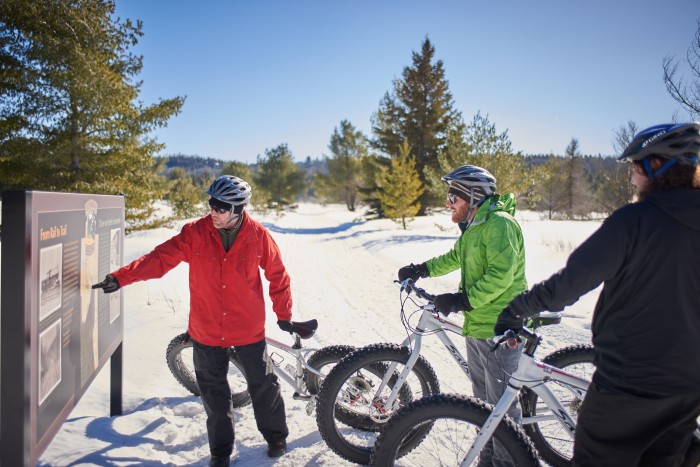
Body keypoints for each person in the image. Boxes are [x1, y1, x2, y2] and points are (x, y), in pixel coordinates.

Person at [495, 122, 700, 466]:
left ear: (657, 167)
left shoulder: (635, 220)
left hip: (628, 384)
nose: (632, 177)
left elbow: (574, 280)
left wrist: (518, 309)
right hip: (686, 389)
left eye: (636, 166)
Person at [93, 175, 293, 467]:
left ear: (237, 209)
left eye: (220, 206)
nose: (213, 210)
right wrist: (120, 277)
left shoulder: (257, 235)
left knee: (263, 385)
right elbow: (158, 259)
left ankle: (276, 437)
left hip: (247, 326)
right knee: (214, 394)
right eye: (211, 203)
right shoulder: (195, 233)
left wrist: (284, 314)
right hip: (207, 328)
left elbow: (278, 275)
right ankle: (220, 452)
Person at [398, 164, 527, 466]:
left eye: (453, 196)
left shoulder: (499, 224)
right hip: (479, 324)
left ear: (473, 195)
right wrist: (422, 269)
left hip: (502, 326)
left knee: (502, 408)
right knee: (484, 403)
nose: (448, 203)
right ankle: (489, 457)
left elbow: (502, 275)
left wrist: (462, 300)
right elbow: (455, 257)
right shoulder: (475, 226)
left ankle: (508, 463)